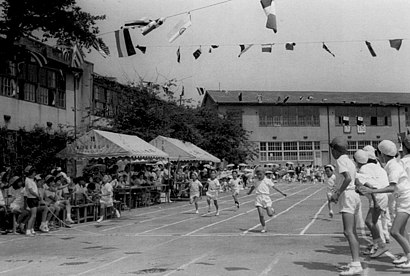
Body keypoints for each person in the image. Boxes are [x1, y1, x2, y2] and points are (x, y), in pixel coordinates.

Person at [360, 140, 410, 268]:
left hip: (405, 200)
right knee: (402, 230)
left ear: (381, 154)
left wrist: (372, 190)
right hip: (401, 199)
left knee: (394, 231)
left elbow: (392, 188)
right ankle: (407, 255)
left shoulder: (393, 166)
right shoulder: (391, 164)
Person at [329, 137, 363, 275]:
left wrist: (337, 193)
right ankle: (355, 261)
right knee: (352, 231)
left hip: (348, 195)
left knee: (348, 231)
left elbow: (348, 178)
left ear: (335, 150)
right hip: (353, 195)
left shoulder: (340, 160)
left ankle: (356, 264)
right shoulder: (349, 160)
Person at [354, 149, 389, 258]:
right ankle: (377, 244)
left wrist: (374, 202)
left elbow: (371, 186)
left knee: (370, 222)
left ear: (356, 161)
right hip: (383, 195)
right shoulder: (377, 167)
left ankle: (381, 245)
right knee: (372, 222)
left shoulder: (362, 170)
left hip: (377, 197)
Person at [247, 167, 275, 233]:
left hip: (266, 198)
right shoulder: (256, 181)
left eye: (260, 174)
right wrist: (249, 192)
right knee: (261, 214)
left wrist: (282, 193)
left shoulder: (267, 180)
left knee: (270, 214)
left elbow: (274, 187)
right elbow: (253, 187)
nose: (259, 176)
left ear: (263, 174)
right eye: (258, 175)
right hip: (258, 198)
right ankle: (264, 227)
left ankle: (271, 210)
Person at [24, 166, 40, 236]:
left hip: (34, 198)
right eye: (33, 172)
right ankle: (28, 230)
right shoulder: (28, 180)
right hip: (31, 199)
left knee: (34, 215)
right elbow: (31, 191)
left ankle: (31, 229)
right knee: (33, 215)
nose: (34, 174)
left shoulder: (32, 180)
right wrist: (37, 195)